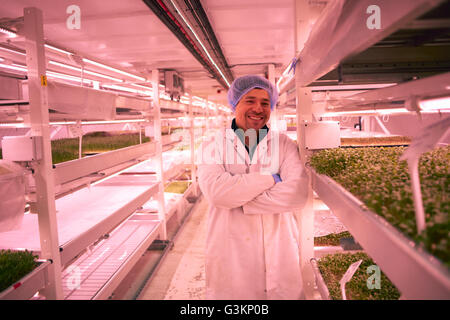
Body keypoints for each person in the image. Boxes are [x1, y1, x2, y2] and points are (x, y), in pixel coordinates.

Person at [197, 74, 310, 300]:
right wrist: (271, 179)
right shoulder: (213, 144)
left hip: (279, 248)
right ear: (235, 104)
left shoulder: (284, 144)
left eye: (265, 102)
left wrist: (240, 199)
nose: (258, 108)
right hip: (230, 250)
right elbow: (218, 195)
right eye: (250, 100)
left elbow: (297, 193)